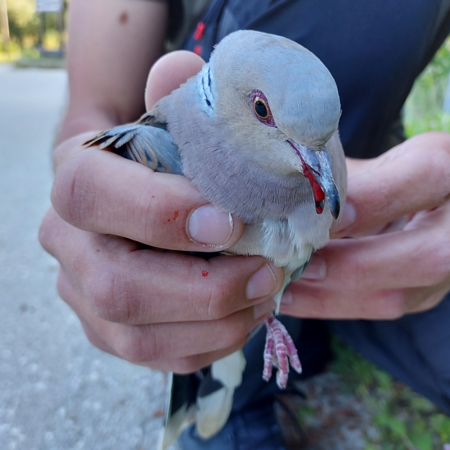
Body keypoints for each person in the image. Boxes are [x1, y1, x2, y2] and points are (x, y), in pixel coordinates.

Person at [39, 0, 450, 448]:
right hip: (224, 285)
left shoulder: (314, 153)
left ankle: (275, 340)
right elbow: (94, 109)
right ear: (246, 100)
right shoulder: (170, 143)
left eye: (323, 140)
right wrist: (88, 195)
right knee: (221, 363)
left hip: (380, 234)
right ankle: (224, 410)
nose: (318, 164)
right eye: (261, 110)